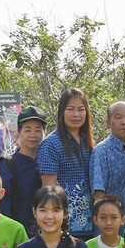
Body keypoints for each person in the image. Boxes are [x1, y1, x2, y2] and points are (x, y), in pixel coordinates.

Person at [38, 87, 96, 236]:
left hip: (91, 222)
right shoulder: (52, 143)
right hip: (64, 224)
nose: (76, 114)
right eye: (70, 109)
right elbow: (48, 189)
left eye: (81, 109)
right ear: (62, 112)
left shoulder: (88, 142)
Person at [90, 99, 125, 213]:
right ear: (108, 122)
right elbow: (98, 194)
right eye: (118, 117)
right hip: (111, 225)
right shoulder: (101, 151)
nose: (124, 122)